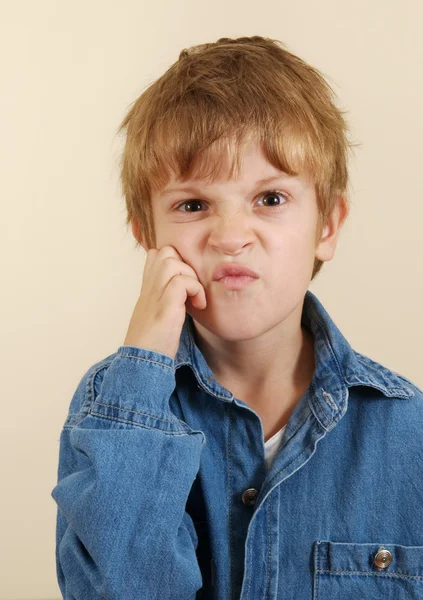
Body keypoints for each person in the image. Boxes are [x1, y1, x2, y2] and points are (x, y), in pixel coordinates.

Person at [51, 36, 423, 599]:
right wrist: (145, 357)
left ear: (327, 226)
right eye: (193, 205)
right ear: (145, 232)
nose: (229, 237)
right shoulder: (112, 408)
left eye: (269, 199)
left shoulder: (408, 430)